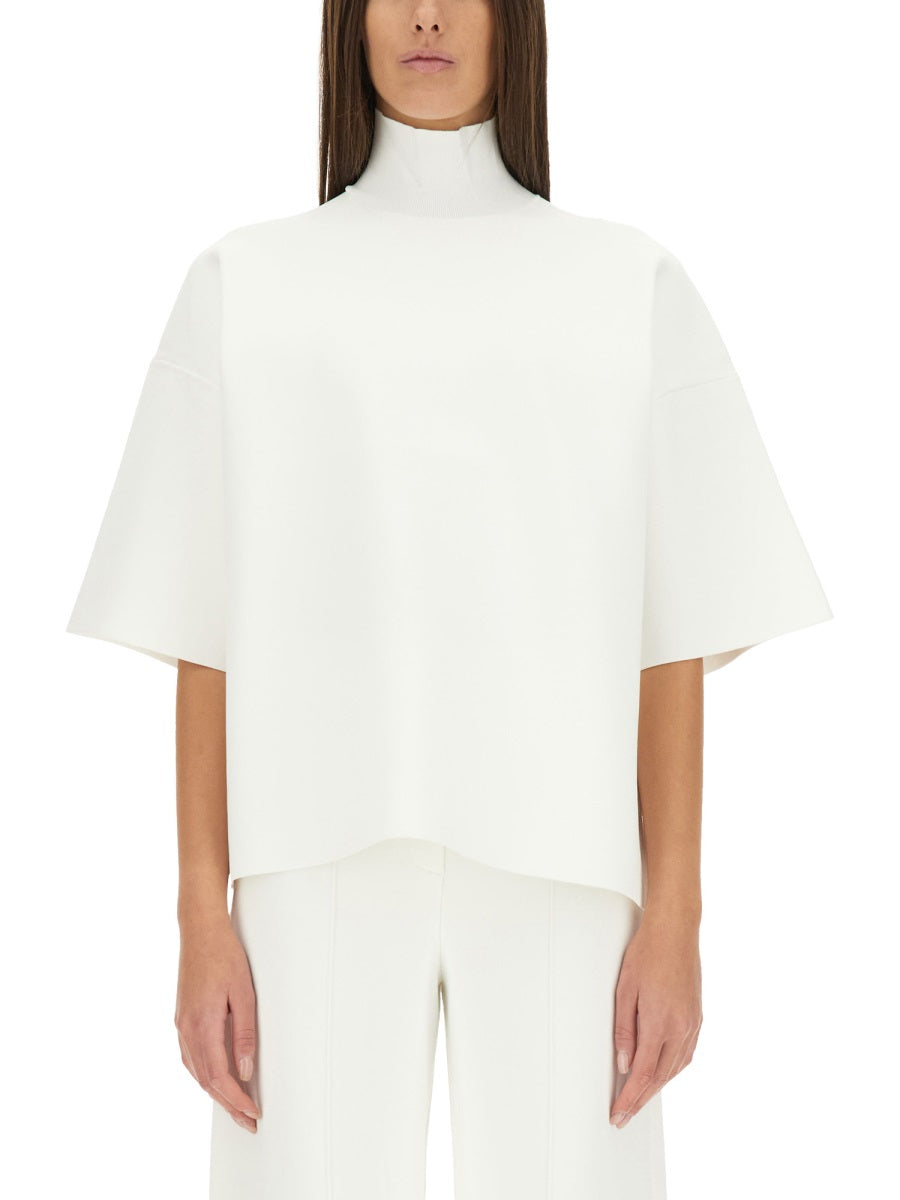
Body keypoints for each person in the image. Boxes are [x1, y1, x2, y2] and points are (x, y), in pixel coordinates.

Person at [65, 1, 833, 1197]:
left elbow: (669, 633)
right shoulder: (245, 283)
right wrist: (199, 919)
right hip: (310, 854)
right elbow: (203, 629)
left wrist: (676, 917)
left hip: (570, 861)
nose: (426, 14)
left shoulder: (625, 282)